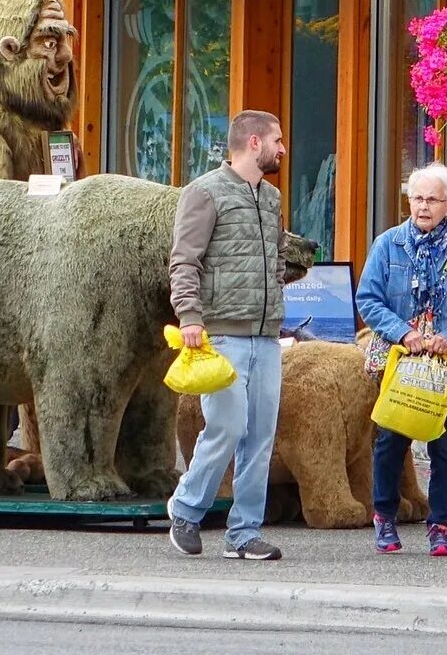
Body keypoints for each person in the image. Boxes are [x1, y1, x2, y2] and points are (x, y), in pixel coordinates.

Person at [166, 109, 289, 563]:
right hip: (221, 335)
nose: (282, 147)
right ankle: (186, 509)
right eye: (276, 139)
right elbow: (184, 260)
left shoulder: (271, 197)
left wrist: (275, 299)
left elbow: (276, 258)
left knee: (261, 435)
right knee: (227, 426)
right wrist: (190, 317)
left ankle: (244, 533)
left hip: (266, 335)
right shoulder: (204, 192)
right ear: (254, 143)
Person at [358, 162, 447, 557]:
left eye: (432, 199)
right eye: (417, 198)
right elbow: (368, 299)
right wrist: (405, 332)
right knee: (390, 442)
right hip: (400, 362)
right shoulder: (387, 244)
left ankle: (440, 525)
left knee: (444, 445)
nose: (423, 206)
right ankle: (383, 517)